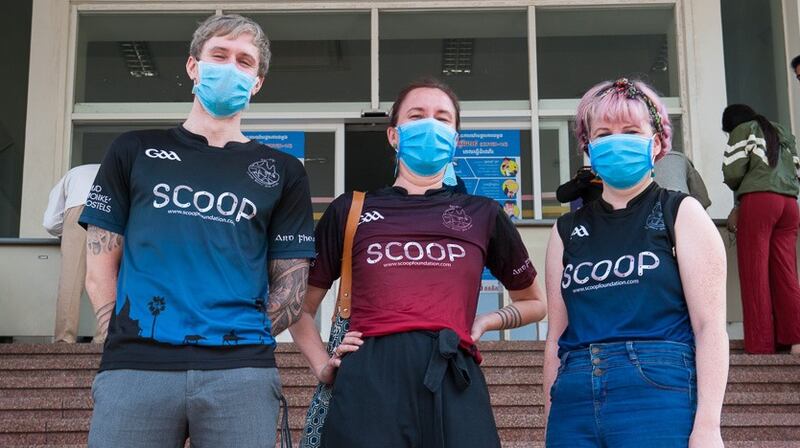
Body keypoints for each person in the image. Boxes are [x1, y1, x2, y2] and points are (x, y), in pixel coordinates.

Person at [79, 14, 315, 447]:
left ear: (257, 83)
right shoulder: (133, 150)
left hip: (241, 372)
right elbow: (99, 264)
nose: (230, 68)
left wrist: (244, 338)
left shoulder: (284, 171)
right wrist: (121, 334)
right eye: (219, 55)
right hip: (135, 366)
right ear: (193, 66)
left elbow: (292, 282)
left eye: (244, 61)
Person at [289, 78, 547, 447]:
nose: (430, 124)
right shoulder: (352, 209)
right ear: (394, 135)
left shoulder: (483, 213)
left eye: (442, 118)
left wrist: (486, 321)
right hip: (369, 378)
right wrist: (322, 366)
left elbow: (534, 302)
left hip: (453, 373)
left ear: (455, 139)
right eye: (416, 115)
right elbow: (298, 306)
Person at [543, 78, 728, 448]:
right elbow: (555, 338)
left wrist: (708, 427)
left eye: (630, 131)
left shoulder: (681, 212)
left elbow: (709, 327)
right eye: (604, 133)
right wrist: (550, 420)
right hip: (573, 396)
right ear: (588, 147)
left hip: (657, 390)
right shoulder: (565, 230)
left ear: (656, 143)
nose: (617, 140)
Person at [722, 104, 800, 355]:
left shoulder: (743, 130)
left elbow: (733, 171)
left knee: (754, 273)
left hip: (759, 202)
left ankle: (761, 345)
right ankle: (795, 341)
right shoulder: (783, 133)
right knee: (786, 273)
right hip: (790, 204)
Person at [43, 163, 102, 343]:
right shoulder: (118, 168)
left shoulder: (73, 173)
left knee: (71, 279)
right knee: (107, 278)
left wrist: (67, 234)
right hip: (112, 208)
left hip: (78, 208)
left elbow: (50, 222)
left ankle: (64, 339)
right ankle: (103, 339)